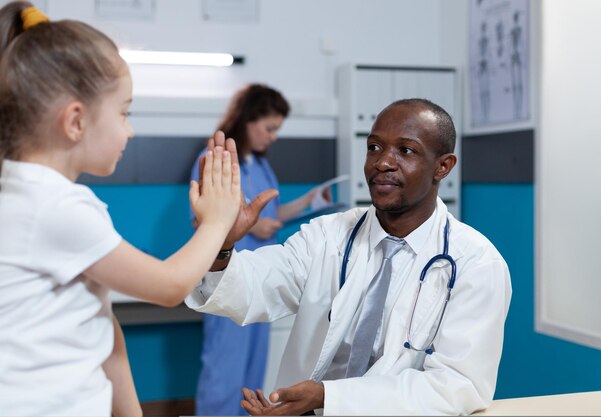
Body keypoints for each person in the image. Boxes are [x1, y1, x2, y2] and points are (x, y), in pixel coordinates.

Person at [0, 3, 273, 416]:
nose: (129, 129)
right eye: (124, 113)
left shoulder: (31, 195)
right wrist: (216, 222)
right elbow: (168, 286)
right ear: (76, 121)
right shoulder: (54, 206)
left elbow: (101, 325)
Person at [186, 98, 512, 415]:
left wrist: (329, 397)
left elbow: (456, 386)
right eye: (374, 147)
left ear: (443, 166)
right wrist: (219, 242)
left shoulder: (476, 263)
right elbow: (252, 289)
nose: (382, 162)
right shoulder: (328, 234)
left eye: (406, 150)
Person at [189, 83, 330, 416]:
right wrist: (250, 226)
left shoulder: (263, 166)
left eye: (277, 129)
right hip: (228, 277)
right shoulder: (216, 161)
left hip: (261, 280)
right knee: (224, 370)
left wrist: (307, 203)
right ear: (247, 120)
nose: (273, 136)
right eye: (269, 128)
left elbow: (270, 214)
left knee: (253, 374)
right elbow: (207, 221)